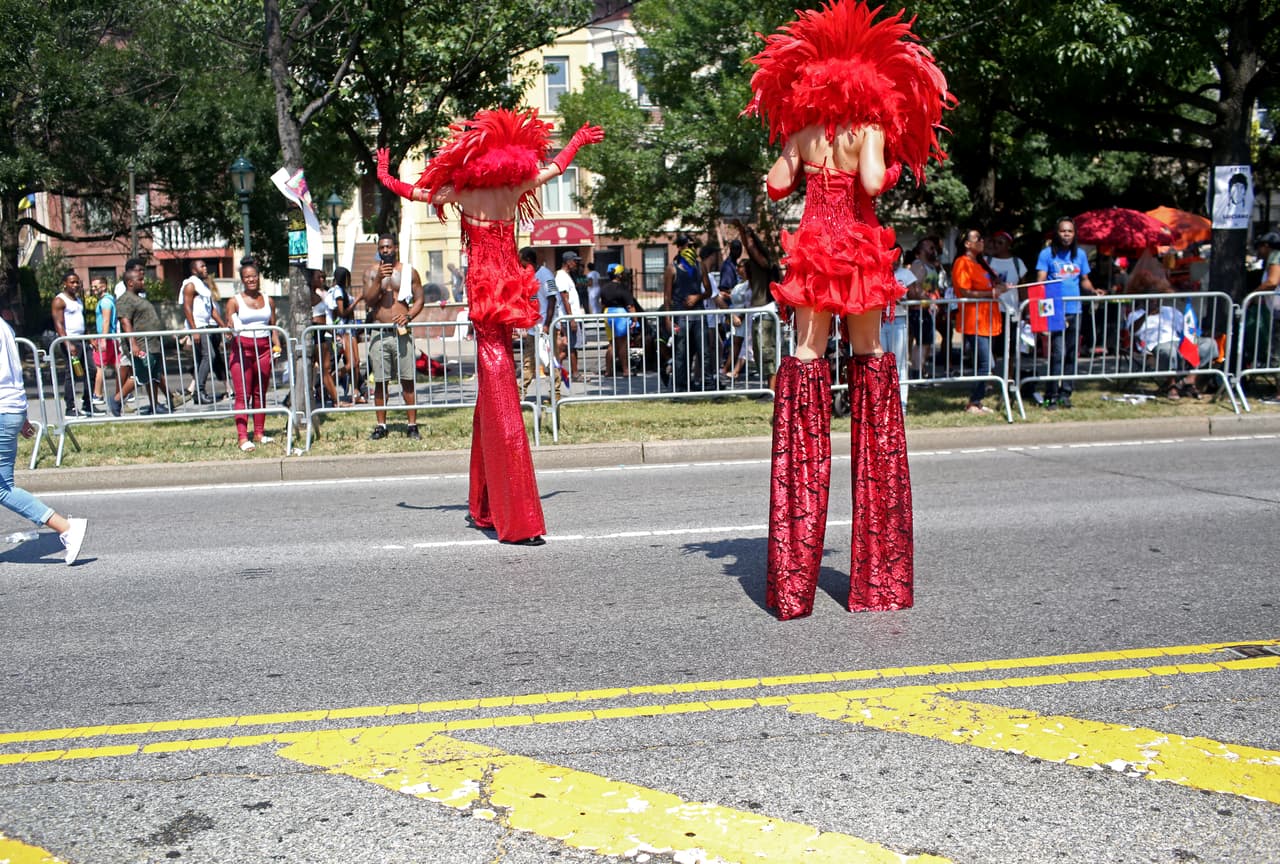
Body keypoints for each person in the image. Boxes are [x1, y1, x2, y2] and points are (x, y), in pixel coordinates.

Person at [744, 0, 950, 619]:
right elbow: (875, 186)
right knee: (872, 363)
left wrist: (798, 146)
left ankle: (793, 570)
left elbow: (777, 186)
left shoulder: (803, 134)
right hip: (857, 250)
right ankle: (878, 574)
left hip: (812, 250)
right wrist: (875, 140)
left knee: (805, 361)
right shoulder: (867, 128)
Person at [376, 108, 603, 546]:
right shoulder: (513, 187)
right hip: (509, 294)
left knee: (500, 399)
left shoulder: (461, 194)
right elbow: (555, 169)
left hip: (485, 300)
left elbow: (414, 191)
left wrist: (384, 173)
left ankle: (514, 517)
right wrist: (575, 140)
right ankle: (484, 505)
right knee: (494, 397)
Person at [0, 316, 87, 564]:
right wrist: (21, 415)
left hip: (3, 411)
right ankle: (66, 527)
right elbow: (13, 373)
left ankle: (66, 527)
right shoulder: (4, 326)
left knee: (2, 489)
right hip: (10, 409)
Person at [1035, 217, 1102, 410]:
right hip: (1056, 310)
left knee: (1072, 354)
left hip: (1076, 310)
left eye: (1070, 231)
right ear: (1057, 233)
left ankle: (1066, 393)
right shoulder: (1047, 254)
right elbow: (1041, 281)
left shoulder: (1079, 255)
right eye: (1063, 231)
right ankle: (1051, 395)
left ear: (1074, 234)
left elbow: (1084, 280)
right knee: (1057, 353)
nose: (1066, 235)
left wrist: (1093, 290)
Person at [362, 234, 425, 440]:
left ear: (395, 248)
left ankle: (412, 425)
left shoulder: (408, 272)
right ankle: (381, 425)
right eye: (382, 247)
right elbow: (370, 301)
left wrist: (408, 316)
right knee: (380, 381)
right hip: (379, 333)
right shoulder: (371, 272)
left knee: (407, 380)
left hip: (402, 332)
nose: (385, 250)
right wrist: (379, 279)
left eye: (388, 247)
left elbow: (419, 300)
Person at [224, 259, 283, 451]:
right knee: (243, 394)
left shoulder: (268, 300)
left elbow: (272, 326)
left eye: (254, 276)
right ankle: (243, 437)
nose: (251, 279)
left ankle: (259, 433)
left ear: (259, 277)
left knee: (260, 393)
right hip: (242, 348)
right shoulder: (234, 301)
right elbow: (228, 328)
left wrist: (277, 346)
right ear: (242, 279)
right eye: (247, 277)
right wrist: (229, 328)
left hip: (264, 348)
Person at [951, 230, 1005, 414]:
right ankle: (974, 402)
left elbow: (989, 286)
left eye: (983, 238)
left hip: (988, 320)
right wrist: (990, 293)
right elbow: (965, 292)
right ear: (967, 244)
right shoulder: (961, 263)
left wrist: (999, 288)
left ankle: (977, 401)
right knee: (985, 364)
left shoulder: (981, 263)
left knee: (987, 363)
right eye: (978, 239)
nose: (982, 241)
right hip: (973, 321)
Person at [116, 268, 183, 415]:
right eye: (140, 280)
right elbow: (126, 322)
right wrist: (133, 344)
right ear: (130, 283)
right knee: (142, 375)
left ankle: (154, 405)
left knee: (154, 375)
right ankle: (116, 400)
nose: (143, 282)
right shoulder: (125, 299)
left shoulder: (139, 298)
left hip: (152, 344)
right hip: (141, 344)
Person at [666, 234, 712, 391]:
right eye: (688, 246)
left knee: (704, 351)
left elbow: (708, 290)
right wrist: (668, 319)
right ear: (680, 247)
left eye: (694, 246)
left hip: (698, 314)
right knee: (681, 352)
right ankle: (680, 385)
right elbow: (667, 297)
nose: (692, 249)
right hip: (681, 315)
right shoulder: (672, 268)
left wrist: (698, 296)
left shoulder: (700, 266)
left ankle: (709, 384)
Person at [181, 258, 226, 404]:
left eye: (206, 265)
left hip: (207, 326)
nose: (206, 268)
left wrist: (223, 326)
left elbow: (212, 310)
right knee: (210, 356)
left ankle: (200, 392)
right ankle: (198, 391)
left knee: (202, 359)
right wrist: (194, 330)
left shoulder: (204, 286)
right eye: (202, 266)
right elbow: (187, 308)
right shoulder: (190, 285)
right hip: (198, 327)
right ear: (194, 270)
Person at [51, 270, 95, 417]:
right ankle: (70, 407)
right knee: (73, 374)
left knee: (91, 371)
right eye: (72, 282)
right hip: (70, 341)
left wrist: (90, 338)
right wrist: (67, 343)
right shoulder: (60, 300)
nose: (75, 285)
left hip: (82, 340)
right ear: (65, 284)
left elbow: (82, 321)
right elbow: (58, 324)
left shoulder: (78, 299)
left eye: (77, 282)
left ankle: (88, 404)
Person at [307, 268, 346, 408]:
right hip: (315, 334)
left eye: (323, 277)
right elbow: (312, 318)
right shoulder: (309, 295)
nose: (322, 280)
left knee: (326, 369)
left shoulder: (321, 293)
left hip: (322, 333)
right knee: (315, 369)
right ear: (311, 279)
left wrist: (333, 332)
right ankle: (293, 400)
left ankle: (335, 400)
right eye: (319, 277)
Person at [329, 266, 365, 404]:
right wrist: (357, 300)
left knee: (356, 362)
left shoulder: (343, 291)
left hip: (351, 328)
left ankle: (355, 392)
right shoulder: (337, 291)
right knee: (350, 364)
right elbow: (342, 312)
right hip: (343, 329)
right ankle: (328, 380)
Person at [600, 263, 639, 376]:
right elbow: (630, 306)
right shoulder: (622, 288)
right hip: (620, 315)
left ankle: (608, 371)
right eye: (623, 273)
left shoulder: (604, 288)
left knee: (612, 344)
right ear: (619, 275)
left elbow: (602, 304)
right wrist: (635, 319)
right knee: (622, 344)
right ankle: (626, 370)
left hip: (607, 314)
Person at [556, 251, 584, 382]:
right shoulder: (561, 276)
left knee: (571, 347)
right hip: (568, 317)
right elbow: (564, 298)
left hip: (572, 316)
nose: (576, 264)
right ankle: (574, 373)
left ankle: (556, 368)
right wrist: (571, 318)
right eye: (575, 261)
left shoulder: (567, 276)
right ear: (568, 262)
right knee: (571, 347)